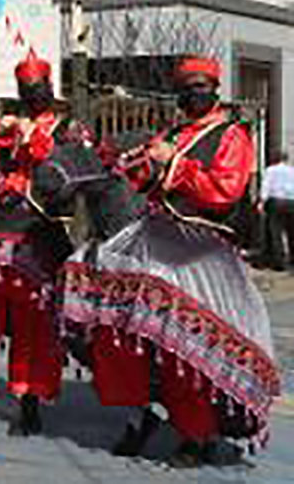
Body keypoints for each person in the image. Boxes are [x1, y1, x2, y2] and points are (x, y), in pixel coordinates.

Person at [61, 56, 280, 467]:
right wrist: (111, 158)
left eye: (201, 85)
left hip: (202, 250)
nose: (194, 92)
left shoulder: (232, 134)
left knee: (187, 344)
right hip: (155, 238)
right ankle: (137, 412)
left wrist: (173, 164)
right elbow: (142, 177)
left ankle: (197, 432)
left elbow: (225, 189)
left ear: (214, 89)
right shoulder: (173, 132)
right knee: (122, 326)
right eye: (187, 86)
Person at [0, 50, 89, 436]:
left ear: (51, 88)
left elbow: (74, 174)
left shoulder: (69, 128)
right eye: (26, 89)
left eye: (38, 87)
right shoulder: (4, 124)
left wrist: (33, 148)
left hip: (38, 232)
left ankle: (29, 399)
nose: (32, 94)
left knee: (34, 321)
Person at [259, 151, 294, 271]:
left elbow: (266, 186)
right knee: (292, 232)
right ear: (286, 159)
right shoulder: (292, 171)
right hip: (291, 202)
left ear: (275, 158)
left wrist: (262, 202)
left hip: (276, 202)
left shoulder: (270, 170)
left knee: (276, 232)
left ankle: (279, 263)